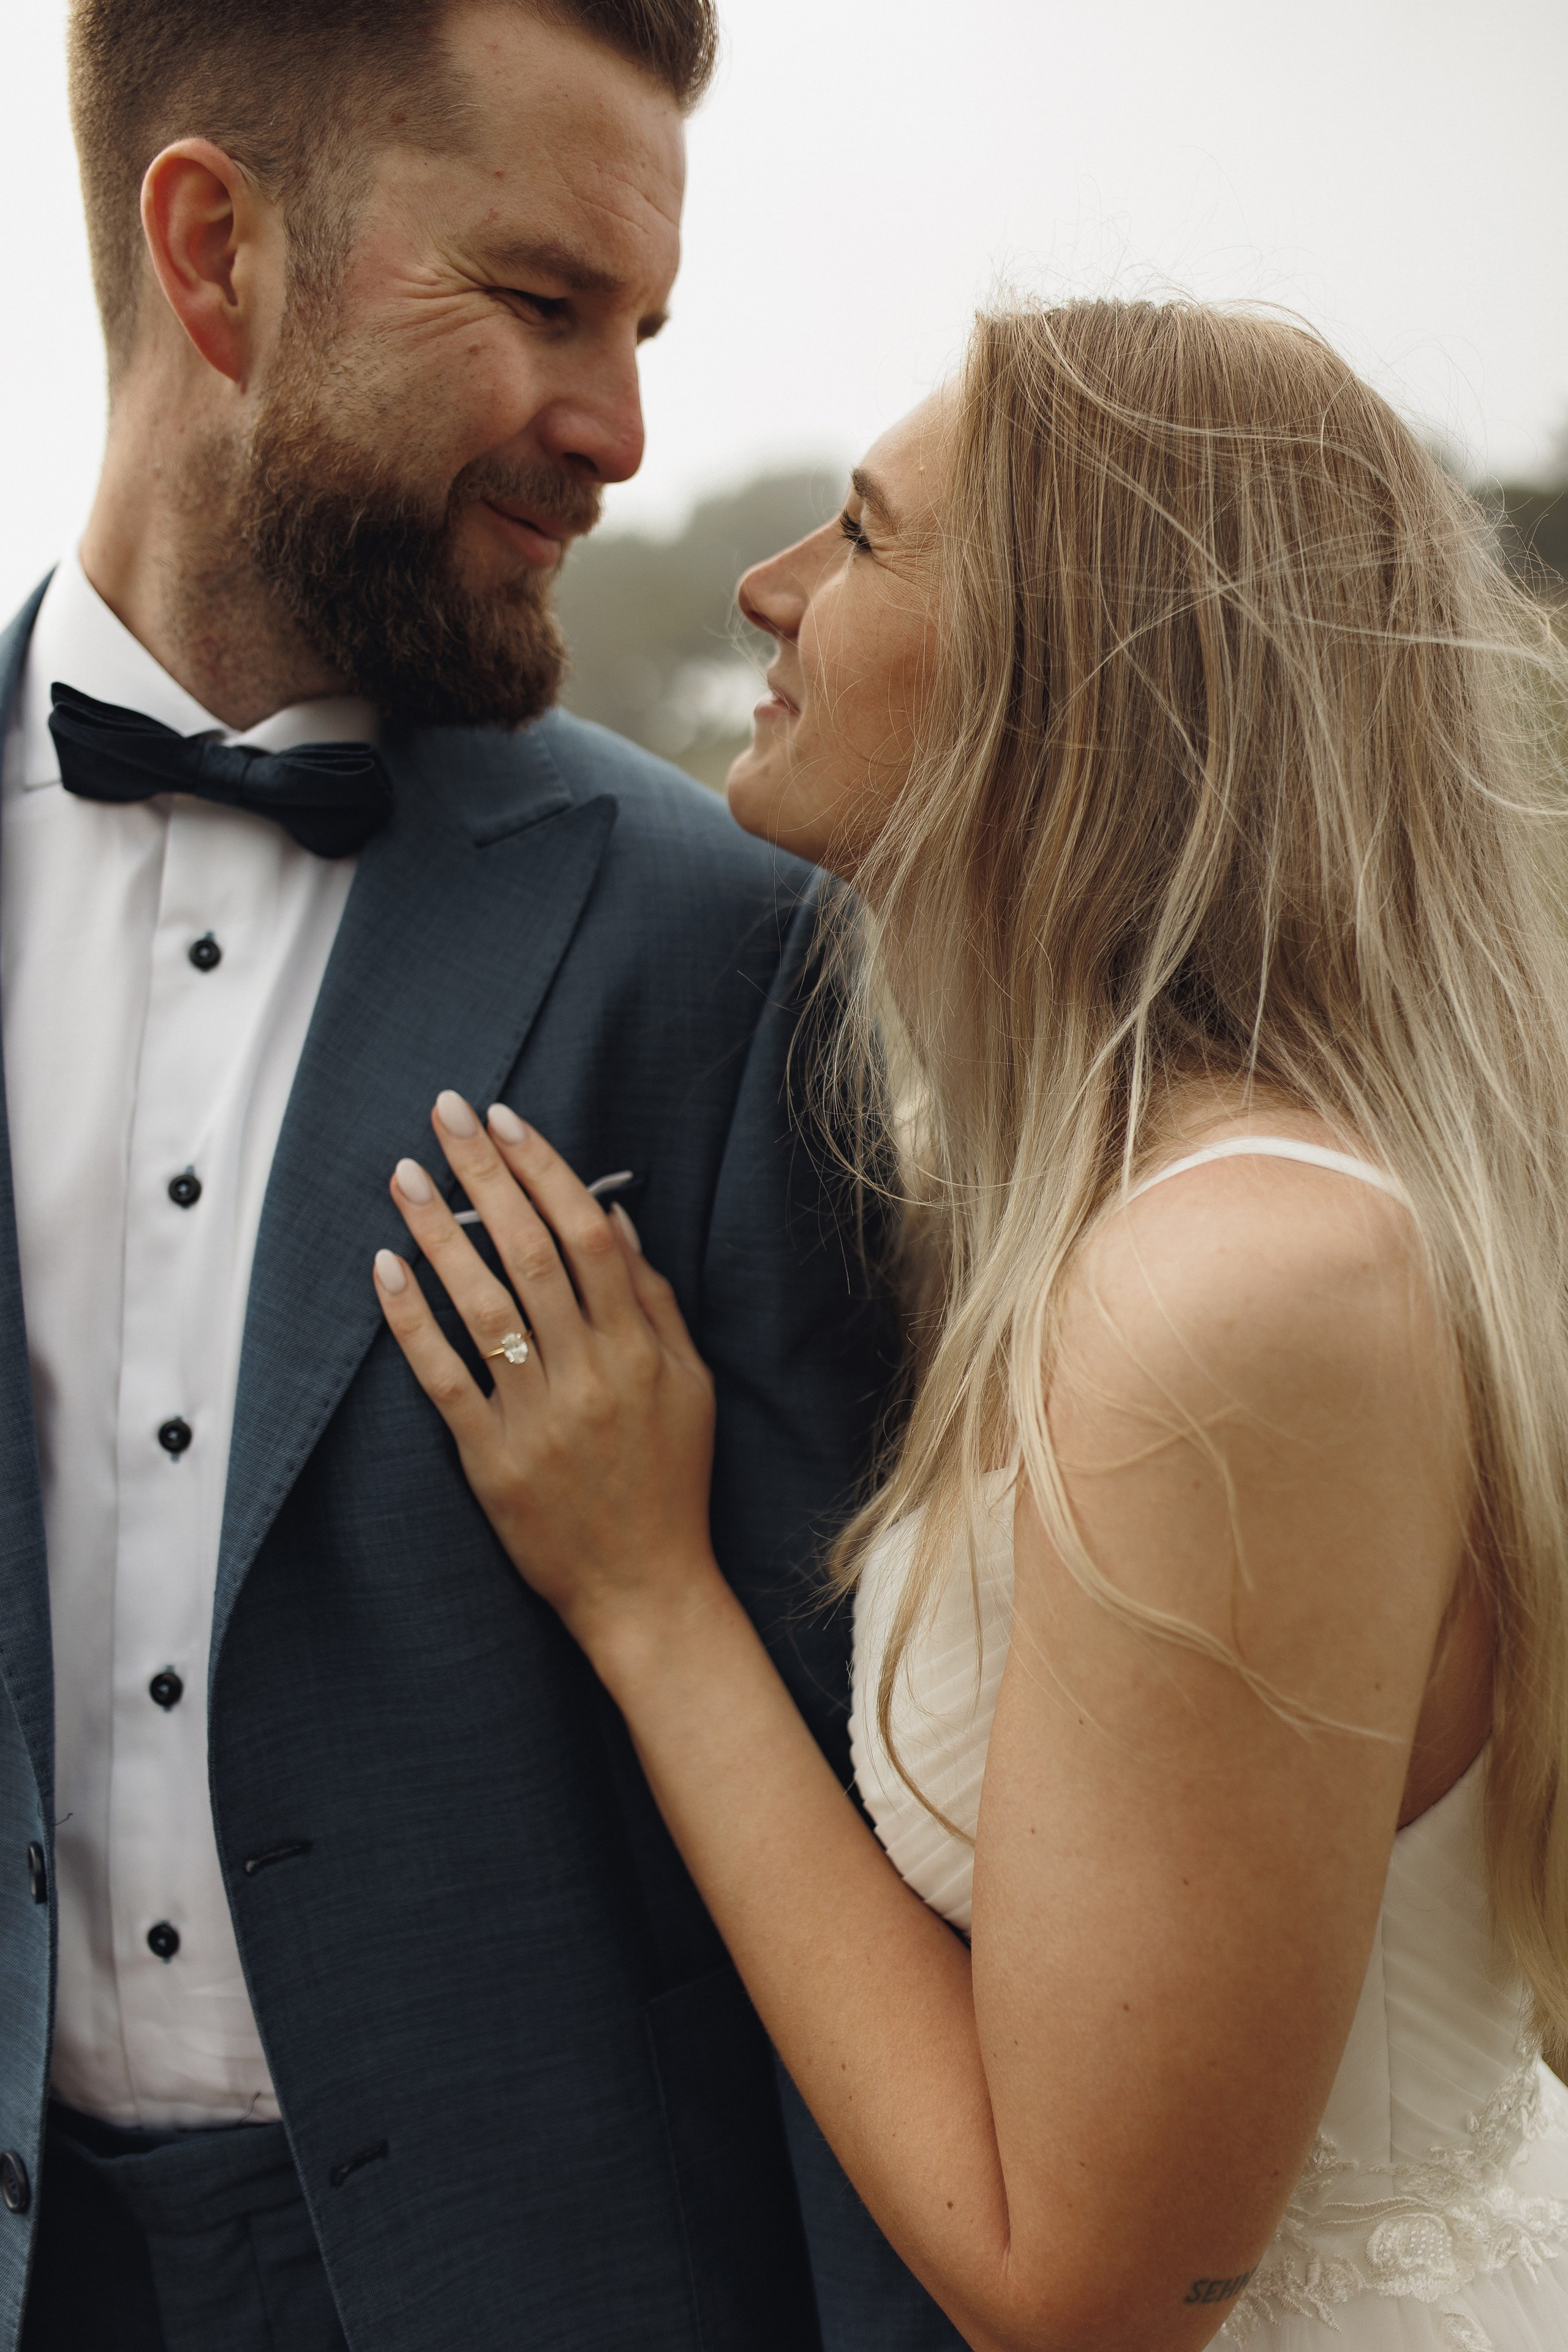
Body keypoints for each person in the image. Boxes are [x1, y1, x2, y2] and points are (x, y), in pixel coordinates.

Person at [375, 296, 1568, 2350]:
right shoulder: (1172, 1212)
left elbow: (1090, 2287)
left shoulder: (1239, 1290)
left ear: (1088, 672)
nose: (768, 586)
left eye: (859, 533)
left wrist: (653, 1598)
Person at [0, 2, 962, 2346]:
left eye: (639, 335)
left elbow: (879, 1834)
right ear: (215, 251)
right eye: (544, 307)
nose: (619, 435)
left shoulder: (732, 949)